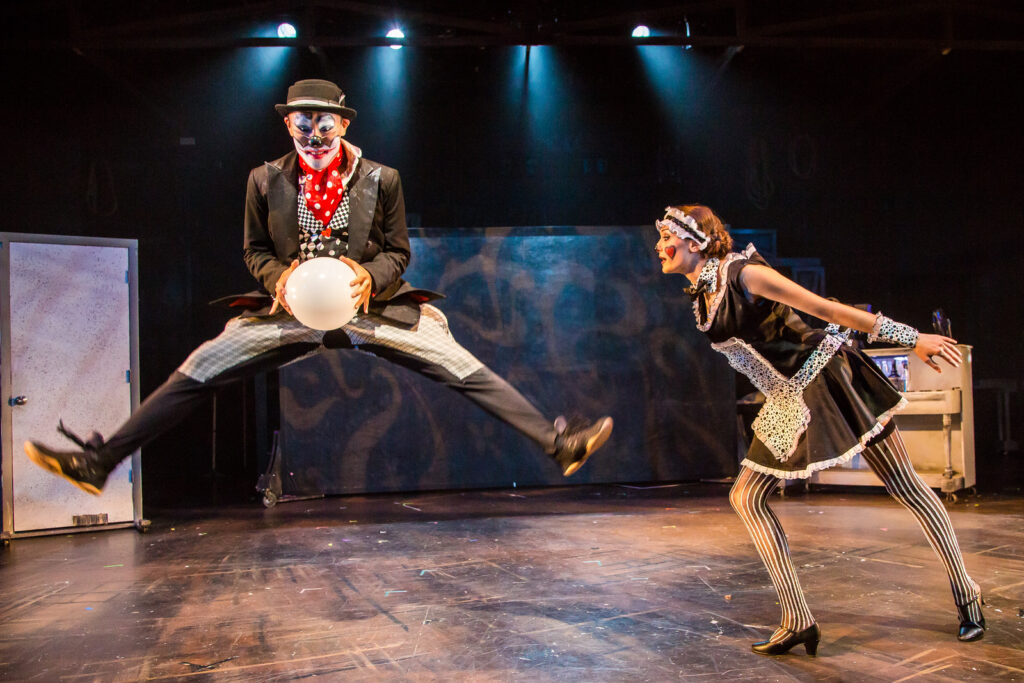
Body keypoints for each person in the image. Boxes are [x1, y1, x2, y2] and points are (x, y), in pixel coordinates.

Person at [25, 78, 612, 496]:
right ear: (288, 125)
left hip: (369, 308)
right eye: (301, 124)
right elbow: (254, 251)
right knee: (202, 365)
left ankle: (558, 443)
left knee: (457, 361)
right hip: (292, 311)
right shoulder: (264, 180)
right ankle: (99, 462)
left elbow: (398, 252)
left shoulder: (382, 179)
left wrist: (369, 275)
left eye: (323, 123)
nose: (313, 134)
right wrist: (279, 279)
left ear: (344, 123)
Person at [653, 204, 984, 655]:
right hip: (787, 396)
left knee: (904, 484)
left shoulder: (745, 274)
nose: (660, 247)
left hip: (829, 377)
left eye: (667, 237)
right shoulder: (705, 295)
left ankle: (967, 593)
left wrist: (913, 338)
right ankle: (798, 620)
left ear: (695, 241)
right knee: (745, 496)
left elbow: (825, 308)